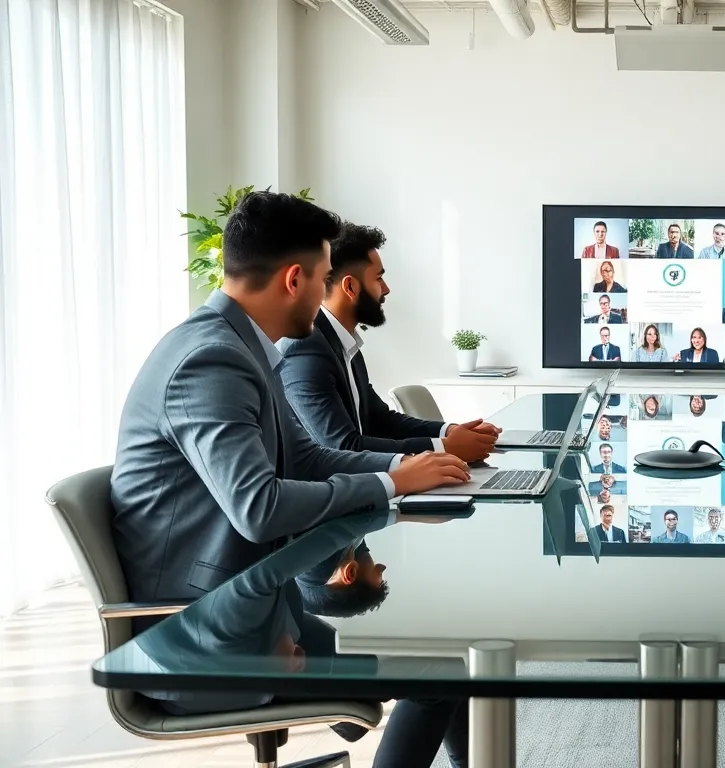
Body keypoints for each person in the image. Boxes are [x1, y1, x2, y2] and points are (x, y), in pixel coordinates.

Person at [108, 191, 473, 767]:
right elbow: (258, 506)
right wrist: (389, 485)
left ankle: (357, 705)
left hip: (246, 603)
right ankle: (351, 702)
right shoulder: (211, 360)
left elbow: (306, 459)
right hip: (202, 637)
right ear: (295, 279)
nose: (328, 294)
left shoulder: (241, 347)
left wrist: (401, 470)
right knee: (441, 674)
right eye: (325, 277)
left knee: (441, 655)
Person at [279, 222, 499, 458]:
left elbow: (379, 420)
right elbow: (343, 447)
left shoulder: (344, 344)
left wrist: (450, 431)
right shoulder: (305, 350)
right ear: (351, 287)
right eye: (379, 278)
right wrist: (444, 448)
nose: (386, 289)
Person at [296, 540, 389, 619]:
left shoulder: (321, 560)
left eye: (375, 568)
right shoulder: (302, 593)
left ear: (349, 573)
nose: (382, 566)